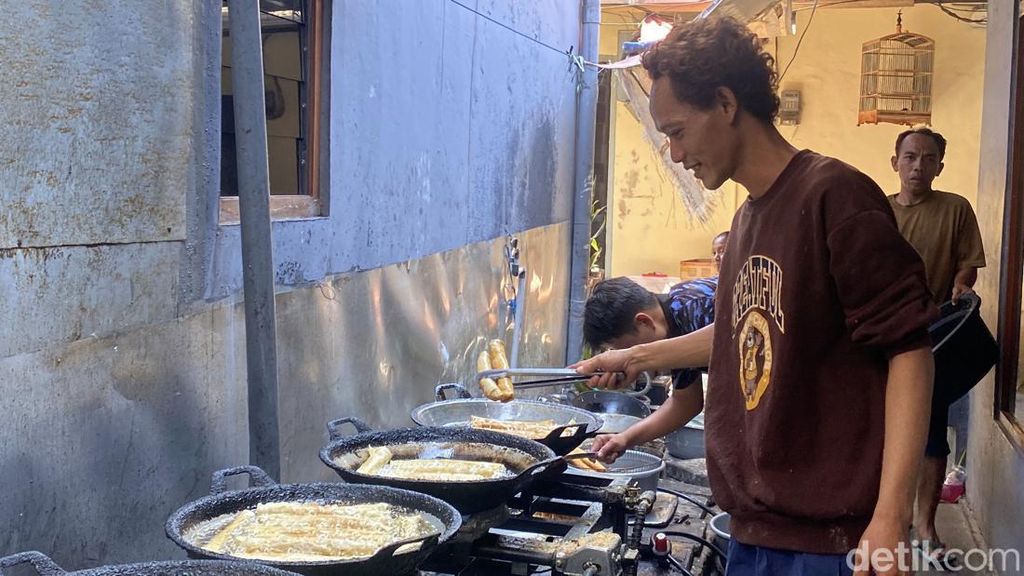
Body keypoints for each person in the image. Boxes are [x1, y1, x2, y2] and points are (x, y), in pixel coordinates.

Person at [572, 17, 937, 576]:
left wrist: (890, 517)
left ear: (725, 103)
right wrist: (635, 357)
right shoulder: (745, 222)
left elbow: (910, 352)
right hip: (753, 528)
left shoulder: (834, 196)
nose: (674, 153)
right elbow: (734, 332)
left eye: (677, 131)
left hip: (828, 543)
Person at [887, 126, 986, 560]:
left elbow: (968, 264)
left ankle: (925, 526)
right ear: (895, 162)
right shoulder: (879, 211)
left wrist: (962, 285)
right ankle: (888, 519)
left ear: (940, 167)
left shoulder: (955, 208)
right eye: (910, 157)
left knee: (930, 433)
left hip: (933, 337)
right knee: (880, 430)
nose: (918, 166)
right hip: (883, 337)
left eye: (928, 159)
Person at [583, 276, 715, 461]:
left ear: (644, 322)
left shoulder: (692, 304)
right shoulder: (674, 330)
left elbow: (729, 339)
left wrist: (633, 358)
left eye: (627, 347)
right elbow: (685, 403)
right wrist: (624, 439)